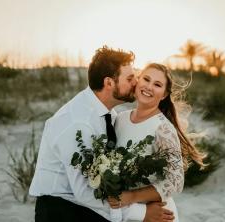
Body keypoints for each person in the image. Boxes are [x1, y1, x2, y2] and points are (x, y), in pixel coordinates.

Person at [29, 47, 175, 222]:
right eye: (129, 78)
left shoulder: (109, 115)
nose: (136, 83)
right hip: (59, 211)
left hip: (85, 208)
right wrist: (141, 214)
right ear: (109, 83)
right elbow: (85, 192)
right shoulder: (79, 123)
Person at [108, 63, 205, 222]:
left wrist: (131, 196)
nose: (149, 87)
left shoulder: (163, 129)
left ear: (164, 94)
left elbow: (175, 181)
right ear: (138, 81)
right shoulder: (121, 118)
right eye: (146, 79)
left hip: (156, 214)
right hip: (127, 212)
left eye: (157, 84)